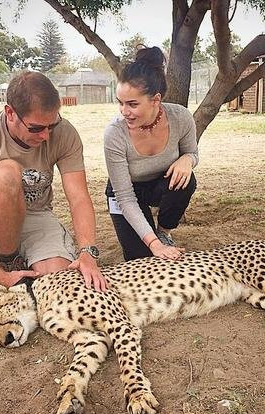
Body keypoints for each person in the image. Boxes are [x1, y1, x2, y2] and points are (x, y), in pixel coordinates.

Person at [0, 71, 106, 291]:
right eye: (36, 128)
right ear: (10, 113)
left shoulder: (66, 134)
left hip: (36, 215)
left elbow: (78, 197)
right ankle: (9, 260)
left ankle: (28, 261)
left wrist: (88, 252)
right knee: (6, 174)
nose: (46, 136)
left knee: (58, 283)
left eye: (52, 125)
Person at [104, 46, 198, 261]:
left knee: (187, 179)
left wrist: (187, 159)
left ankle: (164, 231)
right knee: (142, 260)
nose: (124, 111)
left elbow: (192, 152)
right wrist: (152, 245)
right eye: (120, 103)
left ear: (155, 100)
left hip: (160, 184)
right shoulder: (114, 133)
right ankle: (154, 239)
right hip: (125, 194)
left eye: (132, 104)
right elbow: (125, 197)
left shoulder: (181, 117)